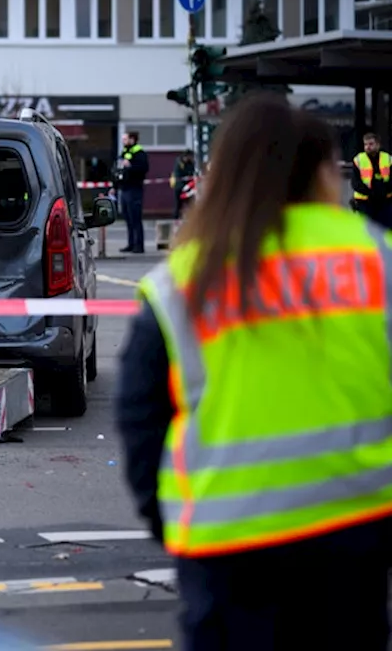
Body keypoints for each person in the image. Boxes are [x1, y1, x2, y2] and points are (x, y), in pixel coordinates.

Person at [116, 94, 392, 650]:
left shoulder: (184, 279)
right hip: (356, 536)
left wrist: (174, 525)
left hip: (228, 552)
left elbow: (140, 421)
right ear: (321, 172)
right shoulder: (375, 257)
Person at [116, 131, 149, 253]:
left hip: (134, 189)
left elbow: (143, 168)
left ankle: (139, 245)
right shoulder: (125, 152)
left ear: (132, 139)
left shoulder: (139, 153)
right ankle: (131, 243)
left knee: (135, 218)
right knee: (128, 218)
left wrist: (130, 166)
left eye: (125, 139)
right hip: (124, 188)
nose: (123, 141)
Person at [351, 132, 391, 227]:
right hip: (364, 202)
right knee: (365, 231)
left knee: (386, 231)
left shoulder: (388, 159)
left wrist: (383, 191)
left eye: (371, 144)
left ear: (378, 145)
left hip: (385, 202)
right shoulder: (358, 160)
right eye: (365, 144)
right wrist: (370, 192)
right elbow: (355, 183)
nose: (368, 147)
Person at [170, 149, 197, 220]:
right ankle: (176, 219)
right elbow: (178, 176)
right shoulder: (179, 163)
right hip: (179, 187)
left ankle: (192, 219)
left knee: (191, 204)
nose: (192, 158)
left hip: (188, 187)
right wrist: (183, 186)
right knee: (178, 205)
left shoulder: (191, 163)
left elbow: (192, 173)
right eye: (191, 156)